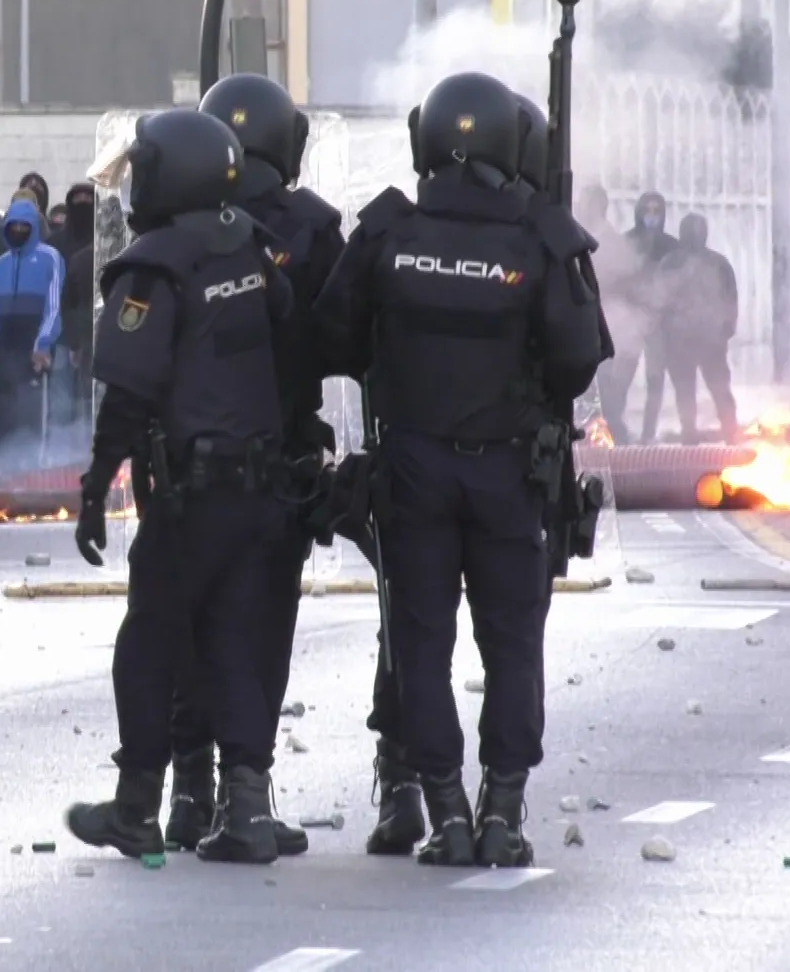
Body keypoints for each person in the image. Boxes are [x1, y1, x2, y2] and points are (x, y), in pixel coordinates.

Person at [313, 72, 607, 869]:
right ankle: (502, 812)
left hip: (413, 468)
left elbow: (331, 340)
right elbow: (580, 364)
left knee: (420, 642)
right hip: (510, 472)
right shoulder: (542, 235)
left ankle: (443, 813)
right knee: (512, 646)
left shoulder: (385, 230)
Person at [64, 108, 296, 866]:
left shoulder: (154, 267)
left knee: (150, 645)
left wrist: (97, 486)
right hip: (259, 489)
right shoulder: (254, 252)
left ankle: (136, 808)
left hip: (190, 498)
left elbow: (128, 395)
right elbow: (288, 341)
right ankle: (250, 811)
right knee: (233, 641)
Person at [165, 71, 349, 858]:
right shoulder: (310, 227)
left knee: (183, 623)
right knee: (256, 627)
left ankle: (185, 790)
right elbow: (342, 340)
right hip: (274, 454)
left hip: (179, 456)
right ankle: (244, 790)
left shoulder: (175, 221)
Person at [0, 200, 64, 473]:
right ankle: (3, 470)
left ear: (33, 227)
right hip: (4, 349)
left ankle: (32, 471)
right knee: (0, 413)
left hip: (33, 348)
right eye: (12, 225)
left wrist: (43, 344)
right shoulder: (0, 266)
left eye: (23, 226)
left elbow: (53, 307)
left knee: (31, 413)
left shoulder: (49, 257)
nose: (17, 230)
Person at [651, 213, 739, 441]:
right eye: (690, 229)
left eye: (698, 229)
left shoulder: (719, 264)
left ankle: (731, 432)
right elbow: (658, 301)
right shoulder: (670, 264)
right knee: (685, 392)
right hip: (679, 341)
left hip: (711, 340)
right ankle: (689, 434)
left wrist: (728, 326)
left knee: (720, 390)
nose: (694, 234)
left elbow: (730, 297)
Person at [580, 183, 645, 443]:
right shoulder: (587, 236)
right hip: (602, 333)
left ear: (597, 206)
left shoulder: (608, 243)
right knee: (601, 408)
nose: (580, 206)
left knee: (611, 408)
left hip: (617, 337)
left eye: (584, 201)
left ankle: (623, 465)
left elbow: (619, 286)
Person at [625, 191, 677, 443]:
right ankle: (616, 429)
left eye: (657, 211)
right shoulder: (627, 243)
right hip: (630, 322)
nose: (652, 216)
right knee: (621, 378)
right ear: (639, 212)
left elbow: (679, 286)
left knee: (655, 380)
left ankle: (647, 434)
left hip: (660, 325)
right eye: (647, 210)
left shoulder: (671, 246)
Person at [49, 183, 97, 451]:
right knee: (63, 404)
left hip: (97, 337)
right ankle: (61, 458)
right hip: (63, 336)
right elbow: (62, 299)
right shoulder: (56, 244)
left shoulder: (107, 246)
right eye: (77, 198)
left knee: (90, 403)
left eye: (88, 198)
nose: (82, 202)